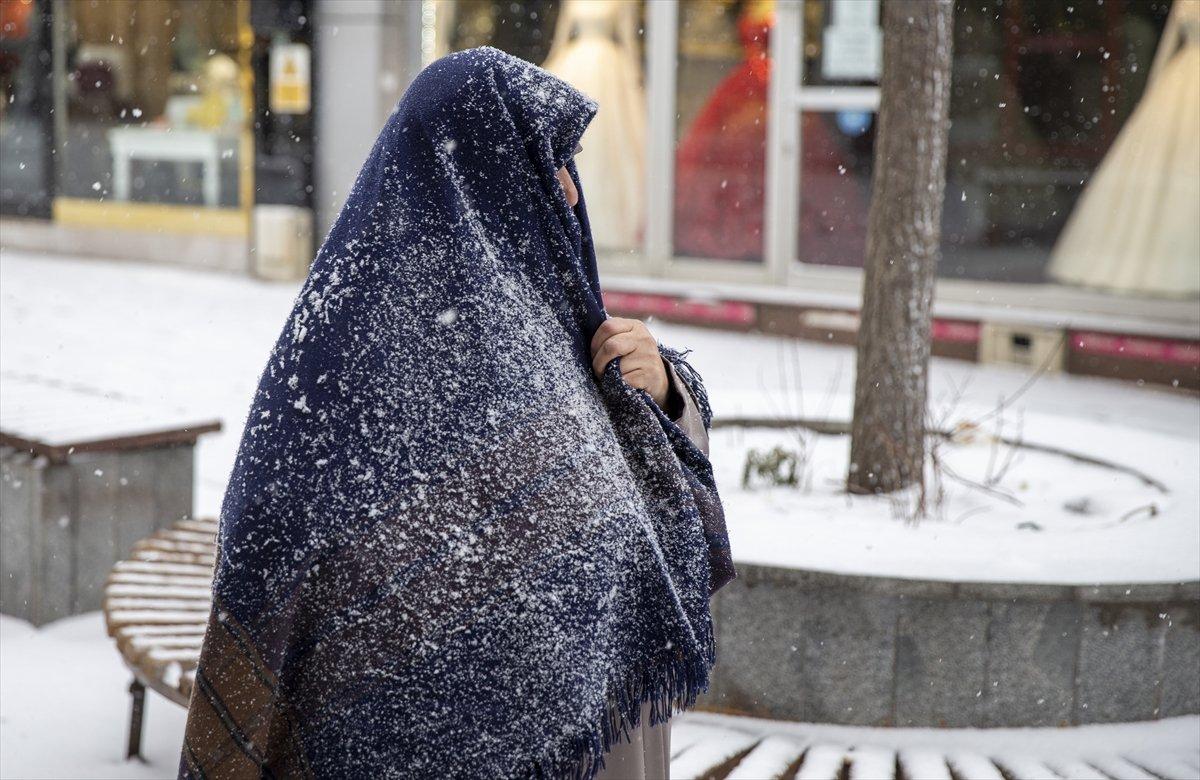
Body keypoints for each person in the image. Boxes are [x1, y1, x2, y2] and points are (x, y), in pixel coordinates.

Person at [178, 47, 734, 780]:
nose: (568, 191)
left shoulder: (560, 326)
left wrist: (663, 391)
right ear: (471, 172)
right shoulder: (339, 366)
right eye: (544, 159)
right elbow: (272, 531)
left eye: (567, 161)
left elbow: (659, 517)